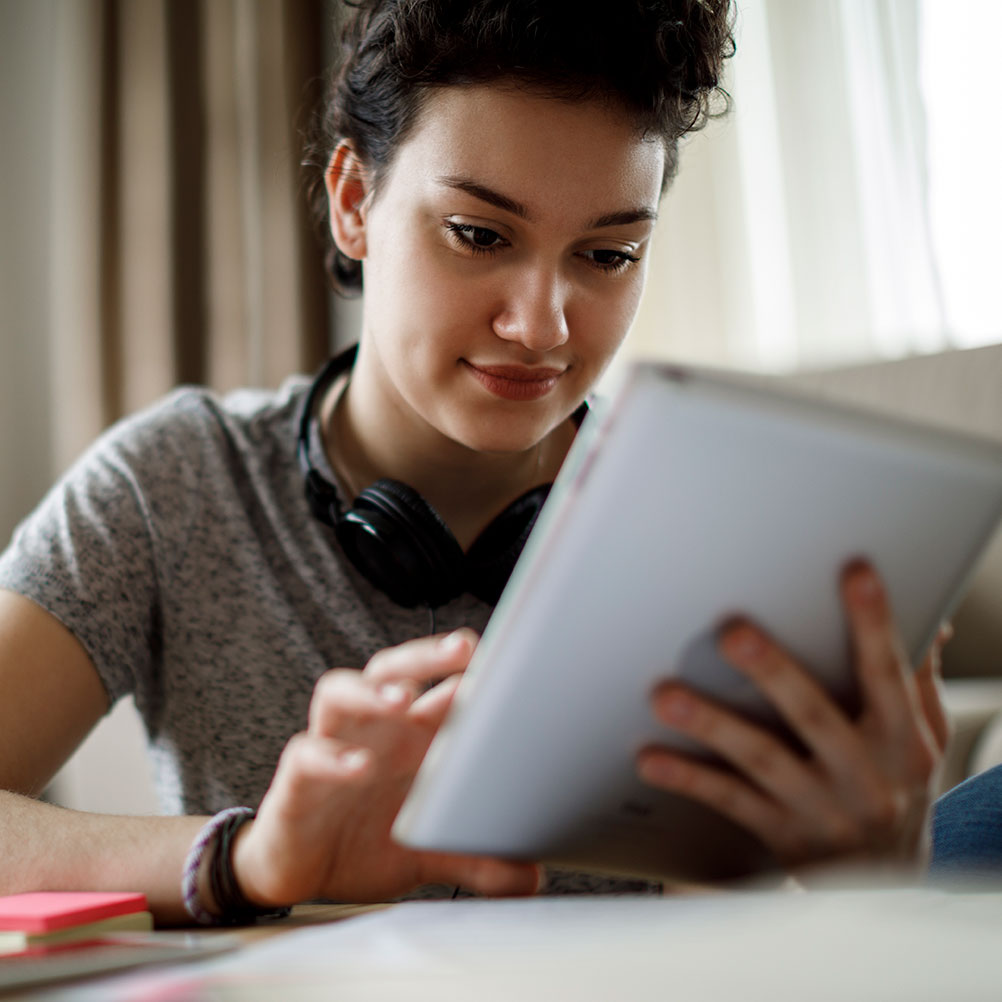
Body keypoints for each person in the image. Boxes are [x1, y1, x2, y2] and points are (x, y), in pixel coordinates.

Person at [0, 0, 951, 926]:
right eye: (481, 235)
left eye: (609, 255)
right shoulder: (176, 484)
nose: (542, 326)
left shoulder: (708, 526)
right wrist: (244, 862)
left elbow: (736, 943)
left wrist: (867, 880)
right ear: (353, 201)